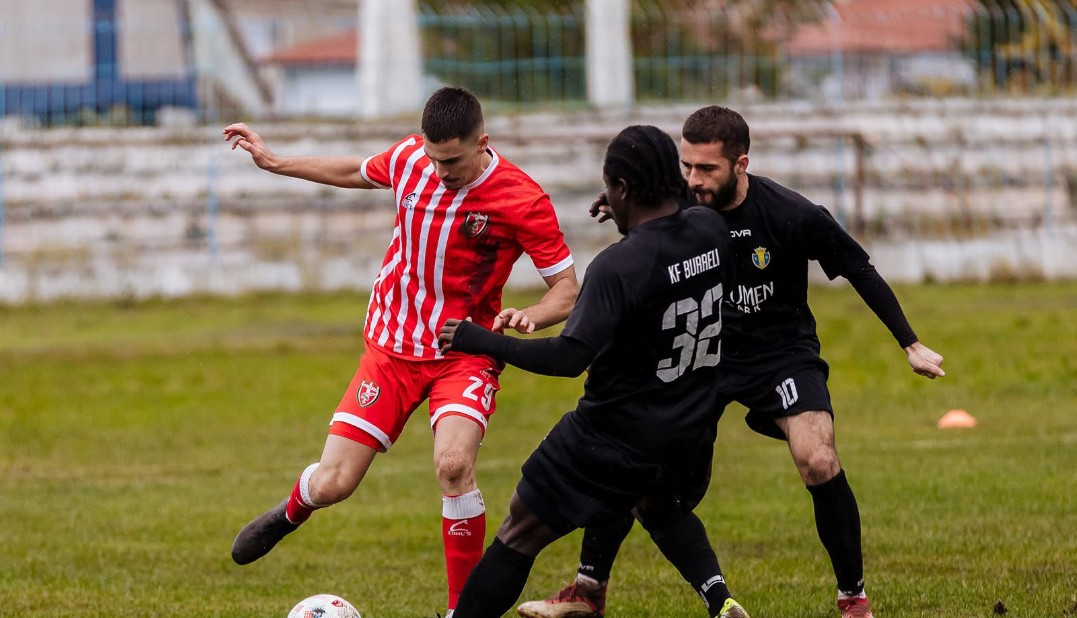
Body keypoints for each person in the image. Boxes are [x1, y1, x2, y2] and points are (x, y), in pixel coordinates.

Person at [517, 106, 946, 618]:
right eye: (686, 167)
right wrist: (623, 204)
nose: (693, 182)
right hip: (704, 358)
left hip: (781, 357)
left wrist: (910, 343)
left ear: (741, 164)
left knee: (818, 457)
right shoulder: (679, 209)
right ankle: (589, 590)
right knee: (633, 459)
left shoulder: (791, 213)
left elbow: (859, 267)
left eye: (707, 170)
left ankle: (852, 598)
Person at [223, 86, 579, 617]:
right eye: (435, 159)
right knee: (335, 482)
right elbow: (353, 172)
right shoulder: (413, 158)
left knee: (454, 465)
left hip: (465, 351)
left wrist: (532, 316)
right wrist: (275, 162)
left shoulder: (521, 198)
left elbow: (567, 289)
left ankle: (463, 612)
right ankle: (296, 506)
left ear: (483, 142)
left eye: (453, 161)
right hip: (391, 348)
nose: (441, 172)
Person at [437, 125, 749, 618]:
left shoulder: (617, 266)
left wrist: (481, 339)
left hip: (613, 434)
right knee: (656, 503)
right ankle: (719, 600)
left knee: (519, 529)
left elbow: (568, 358)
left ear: (623, 189)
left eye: (611, 188)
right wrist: (629, 207)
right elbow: (678, 225)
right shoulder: (710, 230)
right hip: (689, 426)